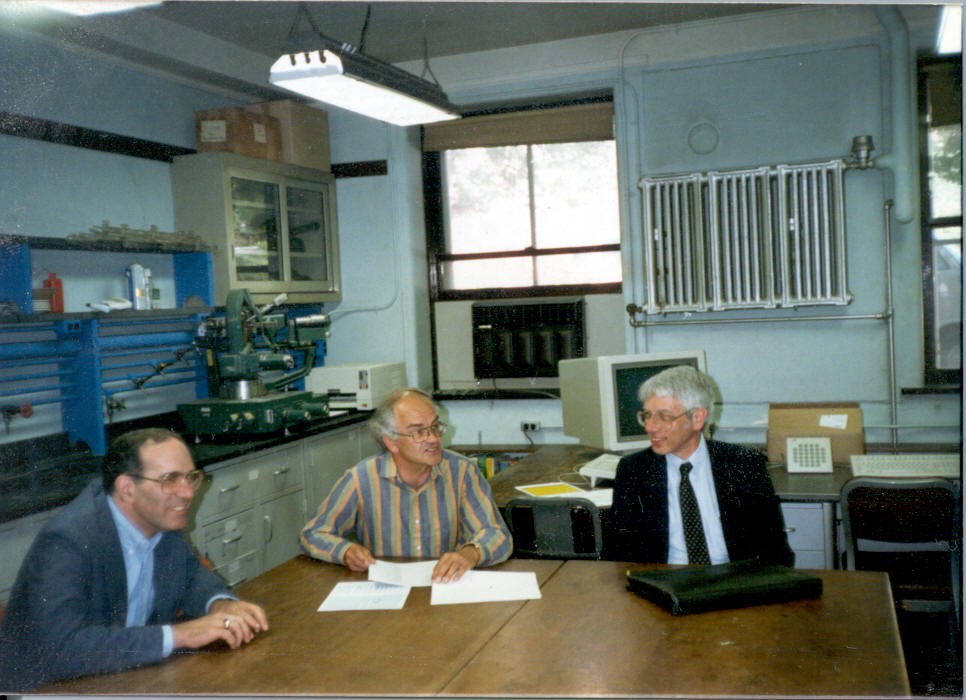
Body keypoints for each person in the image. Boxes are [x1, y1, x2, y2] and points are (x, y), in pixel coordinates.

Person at [0, 428, 269, 692]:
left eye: (191, 477)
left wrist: (219, 604)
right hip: (49, 688)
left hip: (126, 676)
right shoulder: (68, 541)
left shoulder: (159, 521)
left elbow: (190, 578)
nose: (187, 493)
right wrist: (181, 635)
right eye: (170, 479)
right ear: (127, 488)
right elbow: (61, 649)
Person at [300, 388, 512, 582]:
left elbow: (497, 535)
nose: (433, 439)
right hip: (386, 593)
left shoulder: (462, 472)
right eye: (418, 432)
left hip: (446, 587)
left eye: (435, 427)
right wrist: (345, 552)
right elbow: (313, 534)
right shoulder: (361, 478)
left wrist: (469, 554)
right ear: (391, 442)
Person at [606, 365, 793, 567]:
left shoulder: (743, 463)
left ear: (697, 418)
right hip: (663, 579)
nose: (650, 427)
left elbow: (775, 549)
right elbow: (619, 552)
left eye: (664, 416)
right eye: (647, 415)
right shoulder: (634, 470)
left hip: (734, 580)